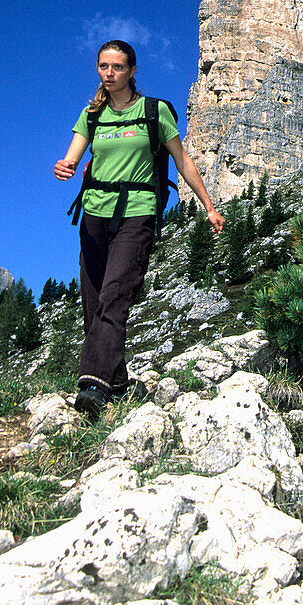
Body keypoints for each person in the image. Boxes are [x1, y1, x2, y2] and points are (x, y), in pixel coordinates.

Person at [54, 39, 224, 418]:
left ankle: (92, 386)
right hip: (94, 214)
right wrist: (64, 166)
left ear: (132, 71)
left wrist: (209, 206)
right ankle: (116, 381)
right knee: (93, 300)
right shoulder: (92, 116)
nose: (109, 74)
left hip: (138, 213)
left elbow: (183, 162)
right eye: (103, 66)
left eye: (117, 67)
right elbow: (73, 154)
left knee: (116, 293)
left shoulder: (155, 112)